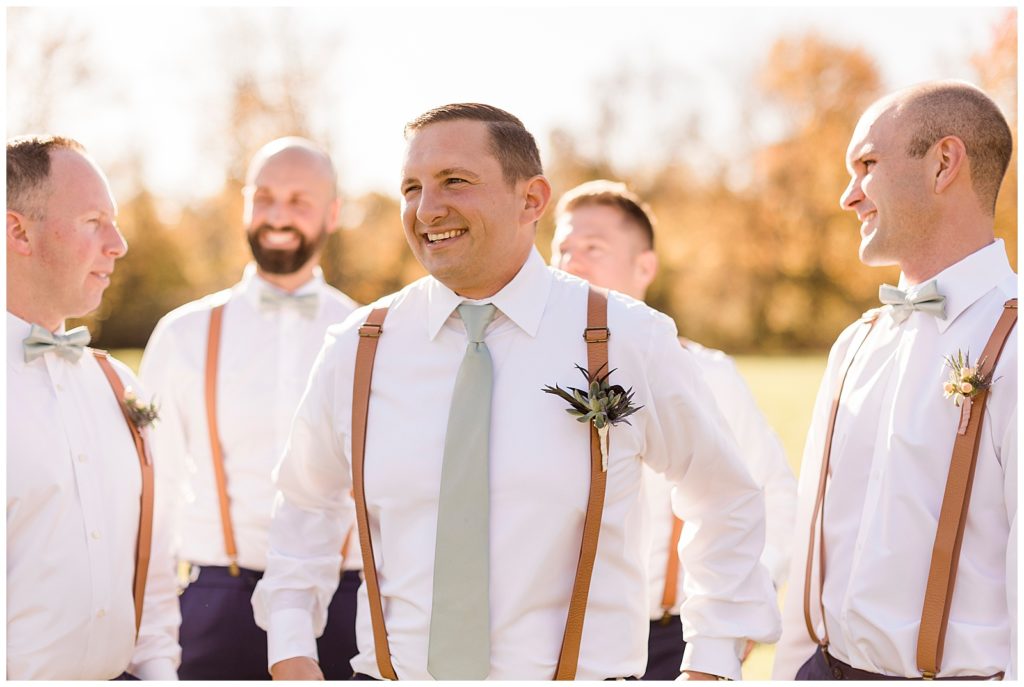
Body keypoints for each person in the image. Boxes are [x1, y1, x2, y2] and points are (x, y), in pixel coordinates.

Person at [253, 103, 781, 681]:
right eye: (411, 187)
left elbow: (724, 495)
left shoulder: (628, 337)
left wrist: (709, 664)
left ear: (531, 199)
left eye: (455, 180)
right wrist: (292, 651)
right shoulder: (358, 347)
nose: (426, 209)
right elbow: (304, 504)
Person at [773, 81, 1017, 680]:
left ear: (943, 164)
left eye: (867, 165)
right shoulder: (856, 343)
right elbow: (812, 541)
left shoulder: (1015, 339)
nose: (847, 197)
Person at [549, 179, 796, 679]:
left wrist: (736, 616)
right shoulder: (534, 375)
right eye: (562, 248)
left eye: (593, 248)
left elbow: (770, 493)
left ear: (645, 267)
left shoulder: (705, 373)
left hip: (672, 642)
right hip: (559, 638)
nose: (571, 263)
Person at [139, 137, 360, 679]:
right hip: (217, 596)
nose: (278, 216)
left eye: (299, 201)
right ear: (244, 204)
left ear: (332, 213)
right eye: (264, 198)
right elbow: (153, 494)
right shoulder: (183, 334)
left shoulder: (370, 334)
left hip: (349, 597)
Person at [6, 134, 180, 679]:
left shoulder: (116, 384)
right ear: (19, 231)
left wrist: (158, 672)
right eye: (93, 221)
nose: (119, 244)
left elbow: (151, 570)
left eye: (115, 221)